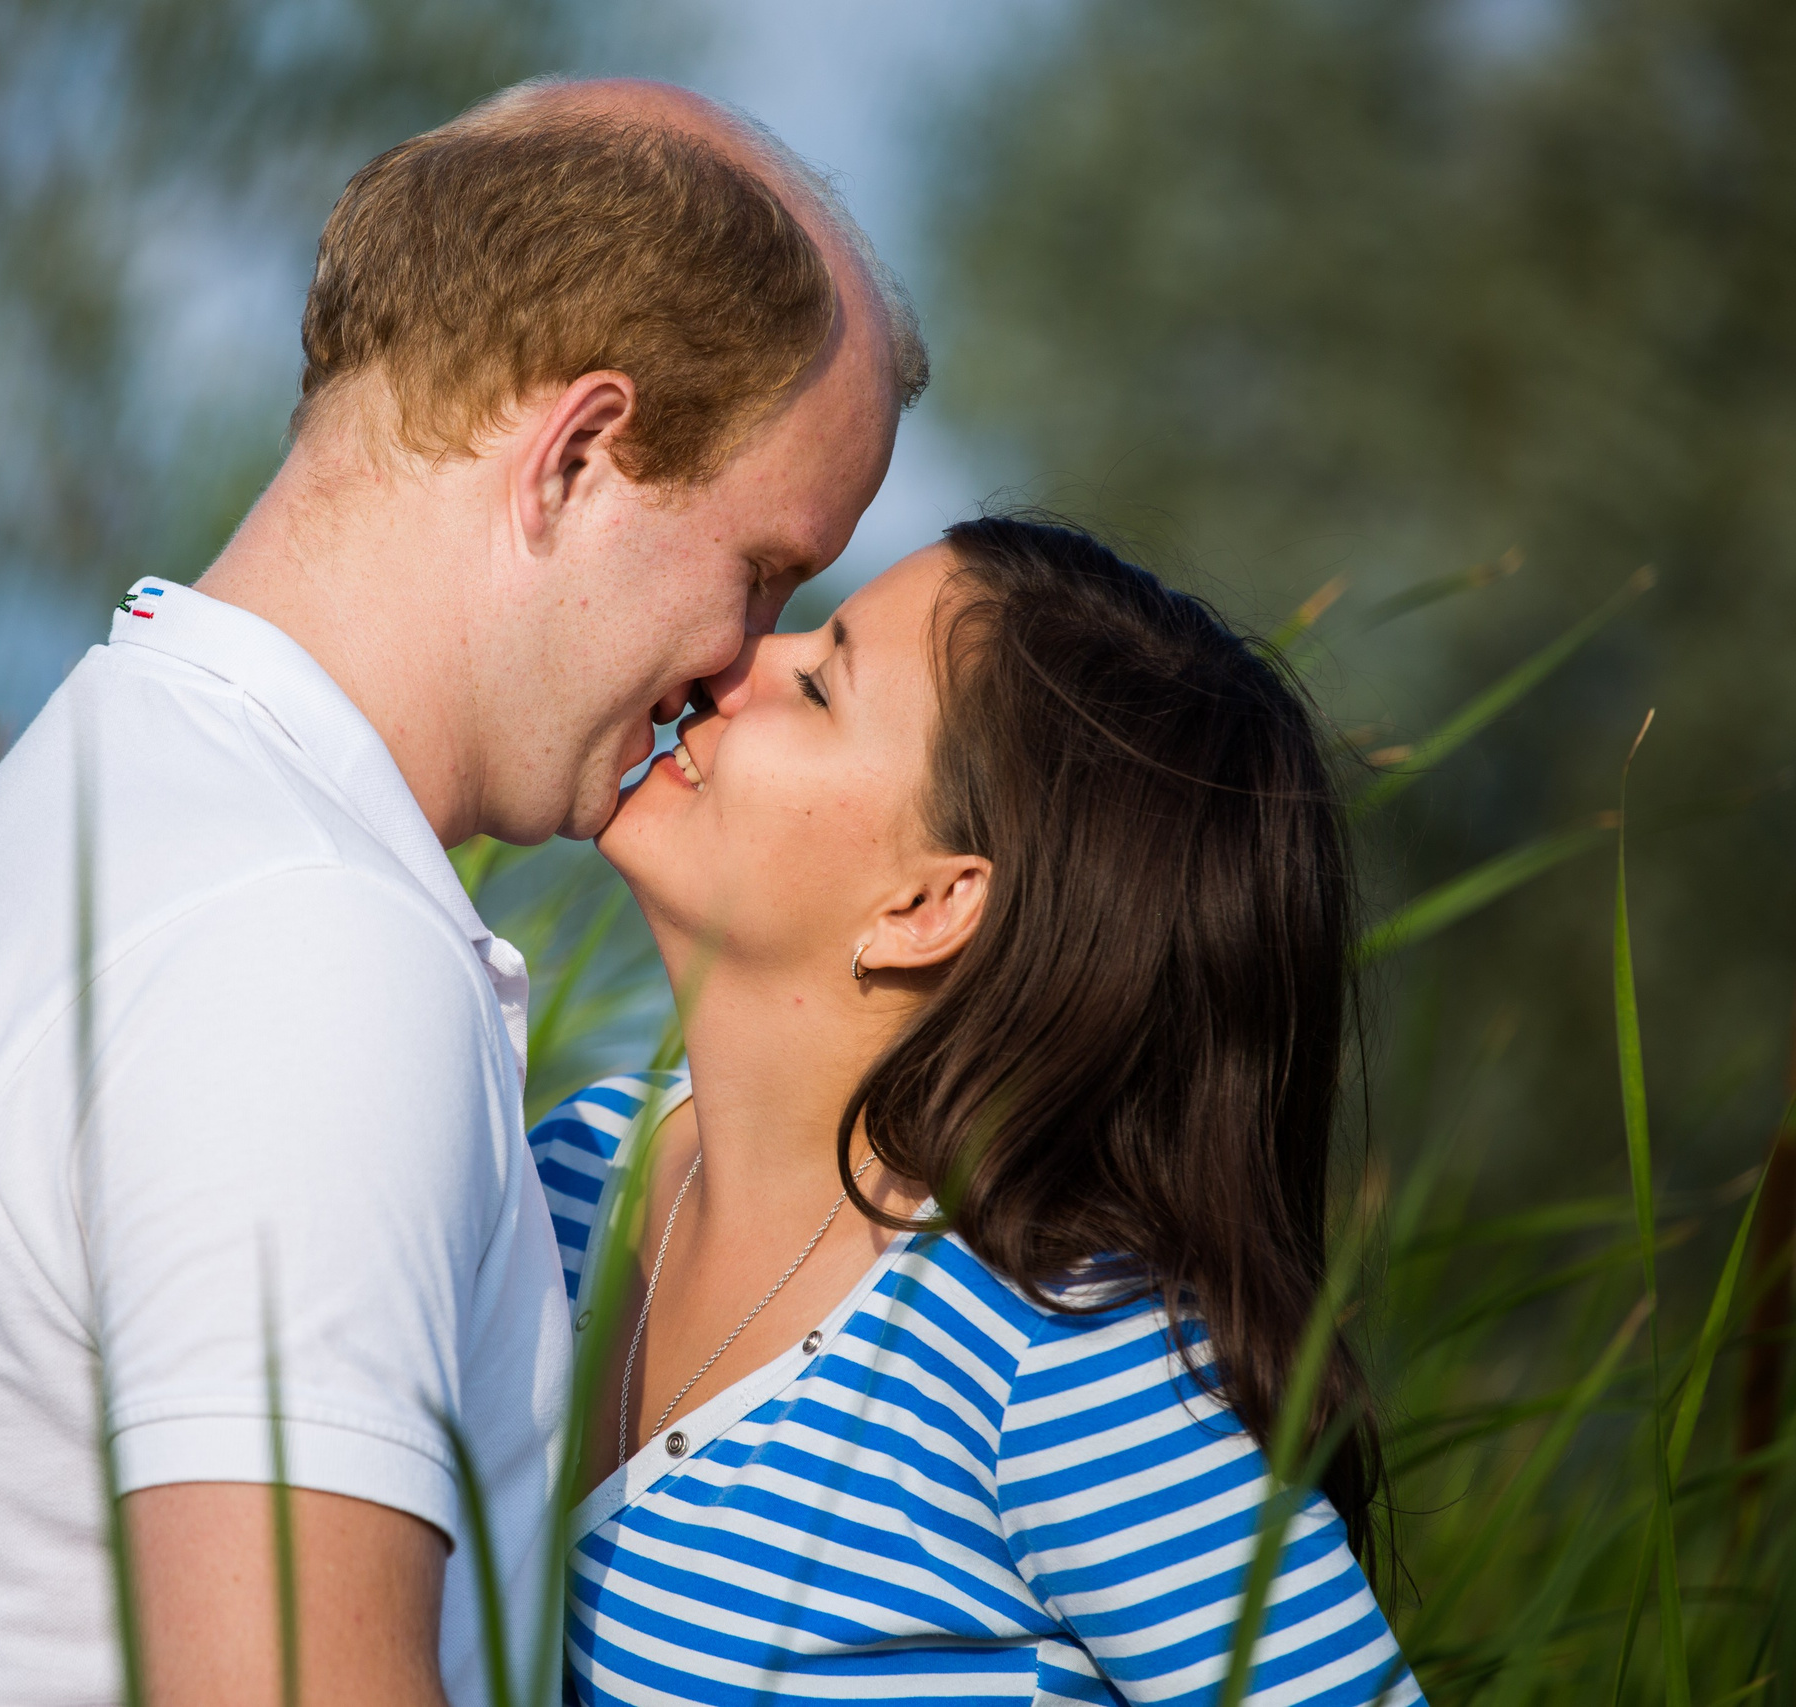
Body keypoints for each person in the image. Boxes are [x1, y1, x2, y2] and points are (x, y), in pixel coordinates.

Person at [0, 76, 929, 1707]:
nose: (735, 669)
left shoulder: (94, 828)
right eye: (761, 571)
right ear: (574, 456)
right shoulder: (298, 943)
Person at [535, 516, 1424, 1703]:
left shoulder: (1060, 1351)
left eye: (819, 683)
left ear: (927, 904)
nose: (730, 657)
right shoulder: (564, 1172)